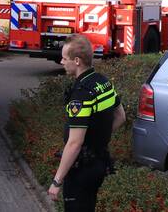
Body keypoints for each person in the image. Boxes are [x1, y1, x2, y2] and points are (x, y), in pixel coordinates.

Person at [50, 34, 124, 211]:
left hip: (81, 170)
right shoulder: (103, 82)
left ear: (76, 61)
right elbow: (121, 117)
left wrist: (57, 181)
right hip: (99, 163)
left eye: (64, 58)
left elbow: (75, 143)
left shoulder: (81, 95)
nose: (61, 61)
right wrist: (97, 139)